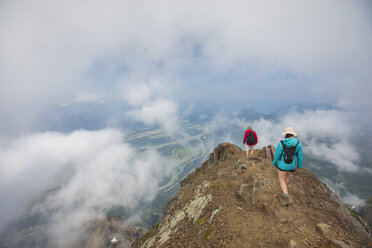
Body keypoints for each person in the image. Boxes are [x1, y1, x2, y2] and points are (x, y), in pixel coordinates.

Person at [272, 127, 303, 205]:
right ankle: (285, 190)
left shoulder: (282, 143)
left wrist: (274, 163)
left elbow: (277, 155)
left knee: (281, 178)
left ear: (285, 135)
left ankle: (285, 194)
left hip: (283, 165)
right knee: (286, 177)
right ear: (293, 134)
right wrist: (299, 166)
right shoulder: (298, 144)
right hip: (291, 165)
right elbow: (300, 157)